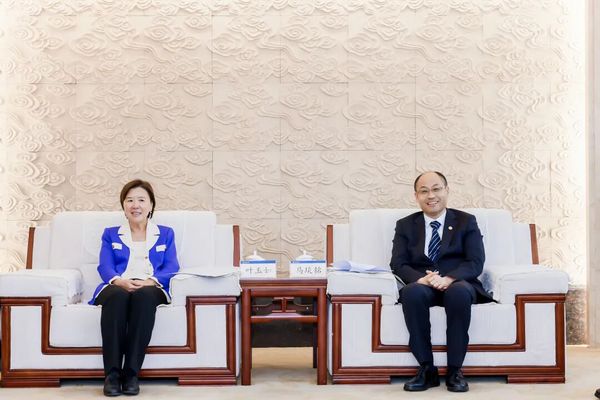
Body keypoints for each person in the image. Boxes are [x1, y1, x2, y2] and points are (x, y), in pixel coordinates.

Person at [390, 171, 492, 393]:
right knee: (411, 292)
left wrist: (449, 279)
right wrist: (421, 279)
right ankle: (427, 369)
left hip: (458, 282)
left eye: (436, 189)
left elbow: (475, 261)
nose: (431, 196)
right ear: (416, 196)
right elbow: (398, 263)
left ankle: (455, 370)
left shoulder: (466, 221)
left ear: (447, 190)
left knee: (458, 293)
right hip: (424, 284)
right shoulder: (405, 225)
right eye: (424, 191)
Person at [89, 179, 180, 397]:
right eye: (129, 200)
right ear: (123, 205)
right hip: (117, 284)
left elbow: (172, 267)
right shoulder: (110, 233)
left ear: (151, 205)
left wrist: (150, 281)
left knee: (144, 297)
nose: (135, 205)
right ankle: (112, 376)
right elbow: (105, 266)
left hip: (151, 285)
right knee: (117, 297)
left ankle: (131, 374)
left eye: (141, 200)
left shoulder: (166, 233)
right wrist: (119, 281)